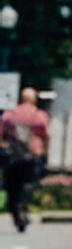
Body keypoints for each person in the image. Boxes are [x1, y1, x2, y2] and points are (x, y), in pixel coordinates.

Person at [1, 88, 48, 235]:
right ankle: (22, 208)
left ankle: (16, 212)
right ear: (34, 100)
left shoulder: (9, 115)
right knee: (28, 184)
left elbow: (1, 134)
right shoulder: (39, 115)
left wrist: (4, 147)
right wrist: (44, 149)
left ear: (20, 99)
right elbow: (46, 135)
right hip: (32, 154)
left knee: (11, 186)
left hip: (12, 156)